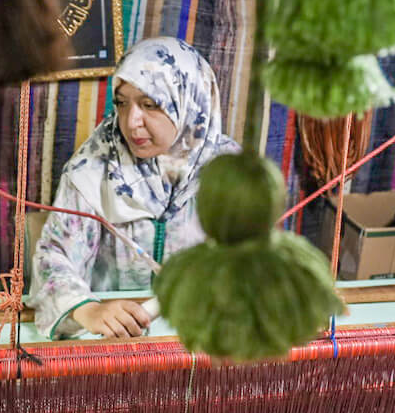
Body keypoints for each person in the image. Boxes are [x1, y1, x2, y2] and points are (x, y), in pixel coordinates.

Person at [31, 37, 240, 339]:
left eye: (150, 104)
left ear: (189, 103)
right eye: (121, 102)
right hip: (110, 351)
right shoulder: (94, 168)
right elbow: (54, 255)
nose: (131, 122)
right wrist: (87, 310)